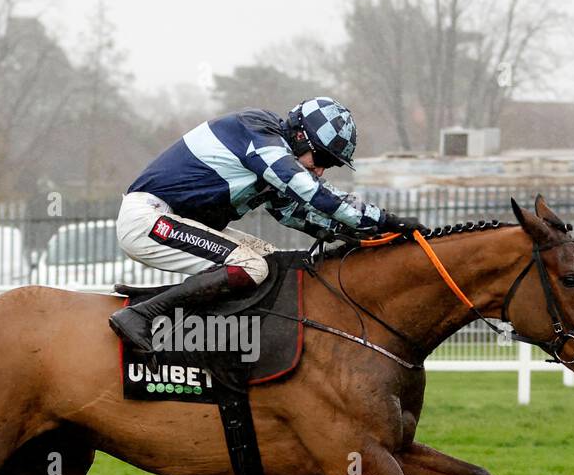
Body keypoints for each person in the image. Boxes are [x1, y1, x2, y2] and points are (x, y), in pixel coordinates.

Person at [110, 97, 413, 353]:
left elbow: (295, 214)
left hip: (174, 219)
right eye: (321, 158)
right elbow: (309, 191)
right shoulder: (257, 131)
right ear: (299, 136)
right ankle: (141, 314)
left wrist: (364, 234)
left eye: (329, 165)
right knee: (252, 267)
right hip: (148, 218)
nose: (320, 170)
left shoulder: (271, 153)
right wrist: (384, 218)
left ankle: (225, 338)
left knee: (271, 259)